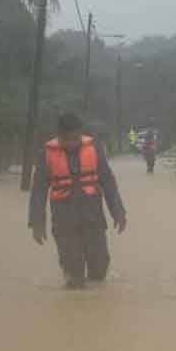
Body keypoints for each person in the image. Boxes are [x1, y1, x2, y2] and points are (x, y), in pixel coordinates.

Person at [29, 112, 128, 289]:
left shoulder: (94, 149)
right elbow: (38, 190)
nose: (71, 143)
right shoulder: (46, 154)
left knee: (99, 269)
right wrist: (37, 222)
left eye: (75, 138)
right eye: (66, 139)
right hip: (64, 219)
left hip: (92, 216)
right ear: (59, 136)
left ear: (80, 134)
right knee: (74, 274)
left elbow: (108, 182)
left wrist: (118, 212)